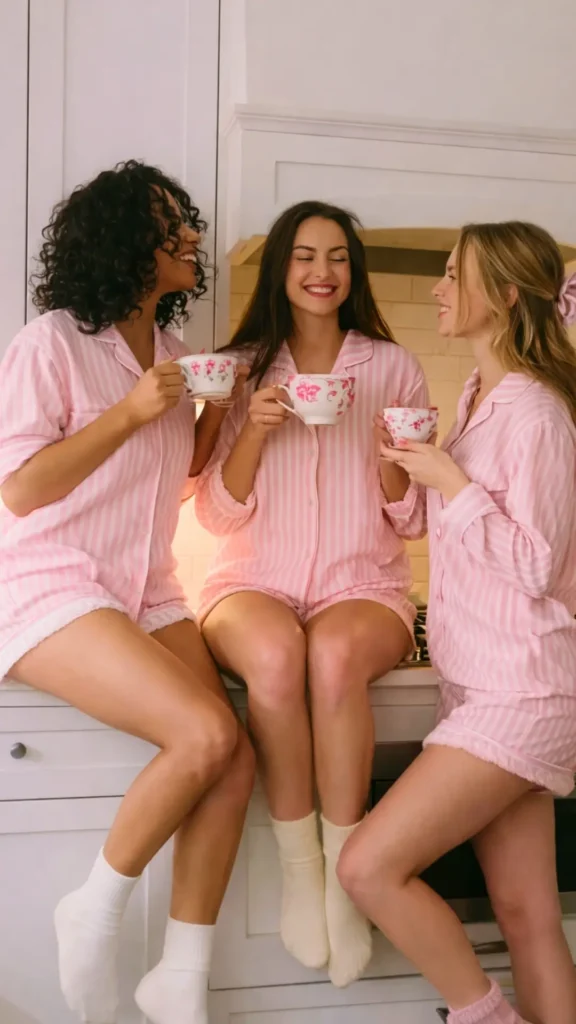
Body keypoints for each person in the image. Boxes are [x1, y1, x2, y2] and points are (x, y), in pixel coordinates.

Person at [0, 160, 254, 1024]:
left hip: (145, 586)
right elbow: (22, 490)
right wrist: (132, 411)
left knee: (236, 757)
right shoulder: (53, 344)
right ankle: (94, 907)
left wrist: (217, 413)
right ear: (123, 240)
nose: (189, 233)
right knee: (205, 730)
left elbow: (172, 483)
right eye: (169, 221)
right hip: (49, 581)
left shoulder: (175, 357)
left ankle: (179, 976)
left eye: (186, 220)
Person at [337, 221, 576, 1024]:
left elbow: (535, 564)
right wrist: (402, 468)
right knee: (528, 918)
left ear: (505, 295)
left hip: (524, 690)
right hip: (480, 684)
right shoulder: (479, 398)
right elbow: (424, 529)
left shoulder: (539, 415)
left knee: (367, 866)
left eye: (453, 274)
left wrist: (449, 475)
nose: (438, 288)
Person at [193, 200, 430, 987]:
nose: (322, 272)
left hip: (365, 585)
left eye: (336, 257)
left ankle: (344, 874)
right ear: (280, 270)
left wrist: (394, 455)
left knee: (330, 656)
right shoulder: (242, 367)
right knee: (275, 654)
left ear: (352, 272)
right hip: (250, 579)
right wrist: (254, 428)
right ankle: (301, 872)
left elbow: (411, 518)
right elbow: (217, 514)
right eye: (304, 256)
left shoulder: (392, 369)